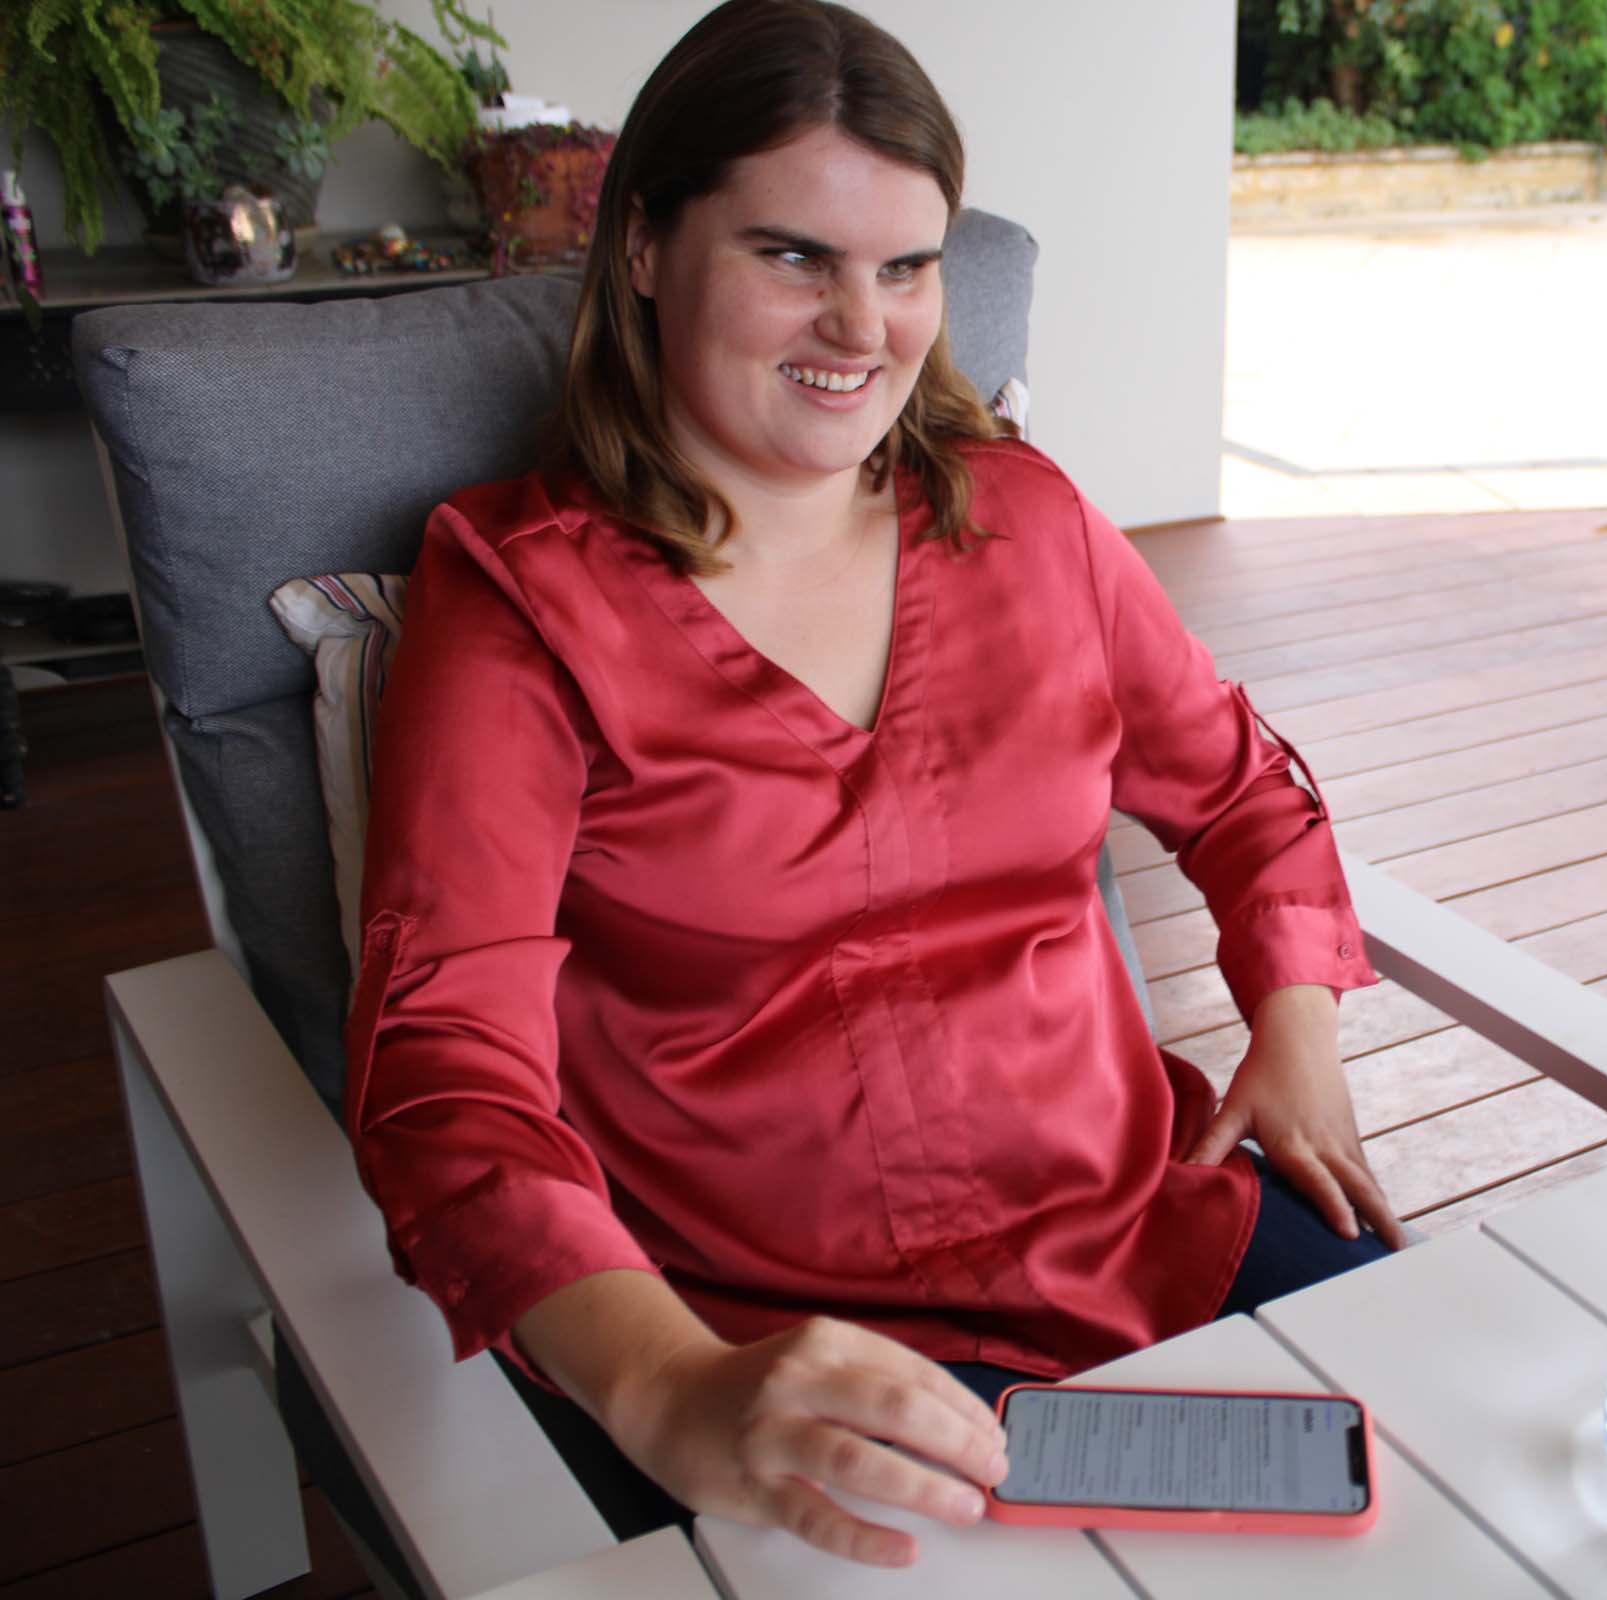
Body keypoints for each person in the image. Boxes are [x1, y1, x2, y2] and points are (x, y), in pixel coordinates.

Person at [346, 0, 1399, 1572]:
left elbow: (1244, 792)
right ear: (645, 246)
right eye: (794, 257)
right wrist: (670, 1384)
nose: (866, 327)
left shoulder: (1033, 526)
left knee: (1462, 1484)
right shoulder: (518, 604)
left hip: (1147, 1228)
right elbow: (447, 1073)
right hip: (772, 1345)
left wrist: (1296, 1029)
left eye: (907, 267)